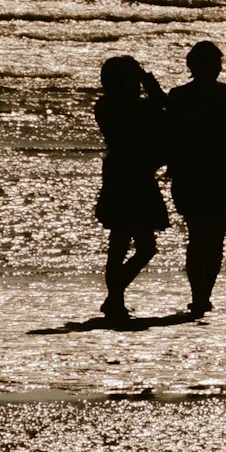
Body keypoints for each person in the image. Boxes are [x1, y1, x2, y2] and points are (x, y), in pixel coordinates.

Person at [156, 39, 226, 317]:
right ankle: (201, 295)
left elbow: (177, 135)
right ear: (196, 65)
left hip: (201, 172)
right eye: (212, 63)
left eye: (216, 63)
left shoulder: (182, 96)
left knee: (206, 237)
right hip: (211, 172)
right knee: (208, 237)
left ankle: (202, 295)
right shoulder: (221, 95)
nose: (215, 68)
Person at [90, 54, 169, 321]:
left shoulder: (104, 106)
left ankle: (115, 299)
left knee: (119, 242)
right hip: (135, 176)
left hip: (120, 173)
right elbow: (163, 108)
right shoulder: (132, 108)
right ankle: (114, 296)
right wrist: (149, 81)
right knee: (143, 246)